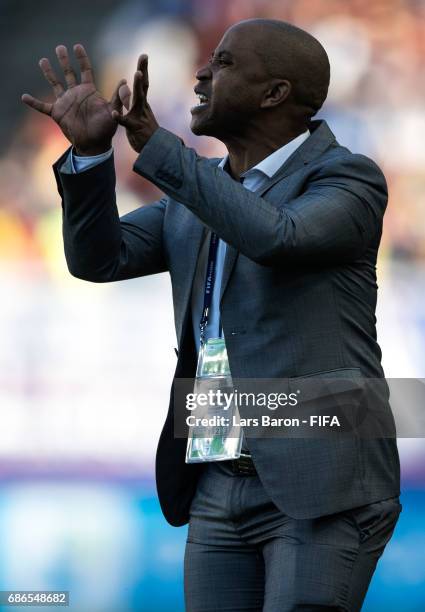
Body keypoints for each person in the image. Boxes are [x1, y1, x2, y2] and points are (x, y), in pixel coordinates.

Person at [23, 18, 401, 612]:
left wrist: (161, 147)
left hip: (320, 481)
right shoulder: (197, 197)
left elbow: (277, 236)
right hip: (217, 479)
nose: (199, 73)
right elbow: (99, 259)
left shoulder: (347, 178)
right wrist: (94, 155)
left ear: (274, 93)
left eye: (223, 64)